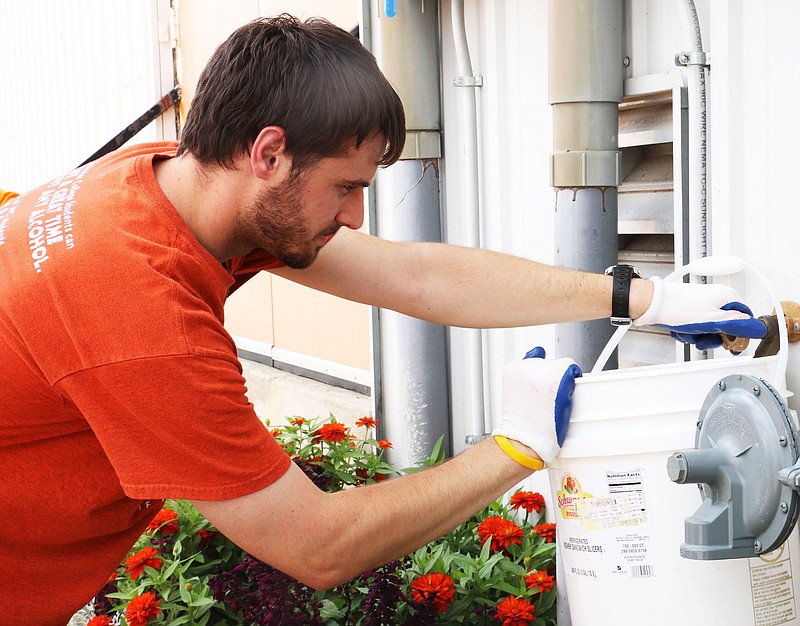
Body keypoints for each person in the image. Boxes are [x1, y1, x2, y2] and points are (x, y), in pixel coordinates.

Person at [0, 15, 765, 624]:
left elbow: (413, 273)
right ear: (269, 152)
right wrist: (514, 447)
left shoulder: (166, 182)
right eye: (346, 187)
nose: (356, 213)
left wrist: (644, 299)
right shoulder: (138, 319)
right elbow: (317, 546)